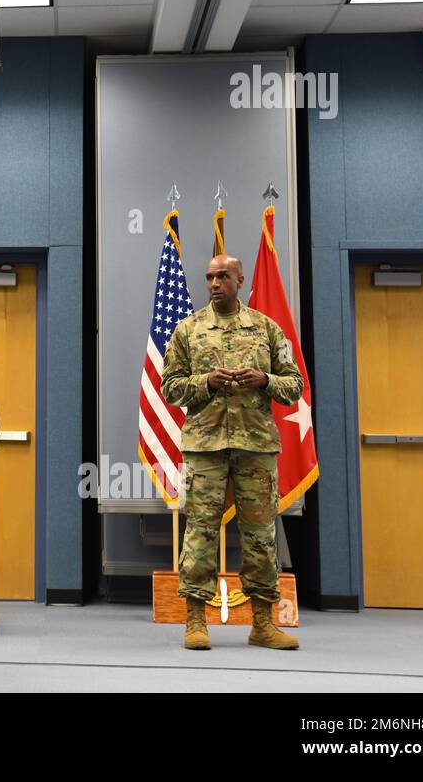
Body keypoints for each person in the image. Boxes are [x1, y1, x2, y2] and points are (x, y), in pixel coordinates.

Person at [161, 253, 303, 651]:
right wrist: (206, 381)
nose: (214, 283)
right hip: (205, 446)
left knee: (260, 536)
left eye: (223, 276)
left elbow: (295, 387)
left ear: (240, 280)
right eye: (209, 277)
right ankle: (194, 621)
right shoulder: (188, 330)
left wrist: (264, 379)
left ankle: (262, 624)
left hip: (255, 445)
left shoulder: (265, 328)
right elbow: (169, 388)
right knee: (200, 533)